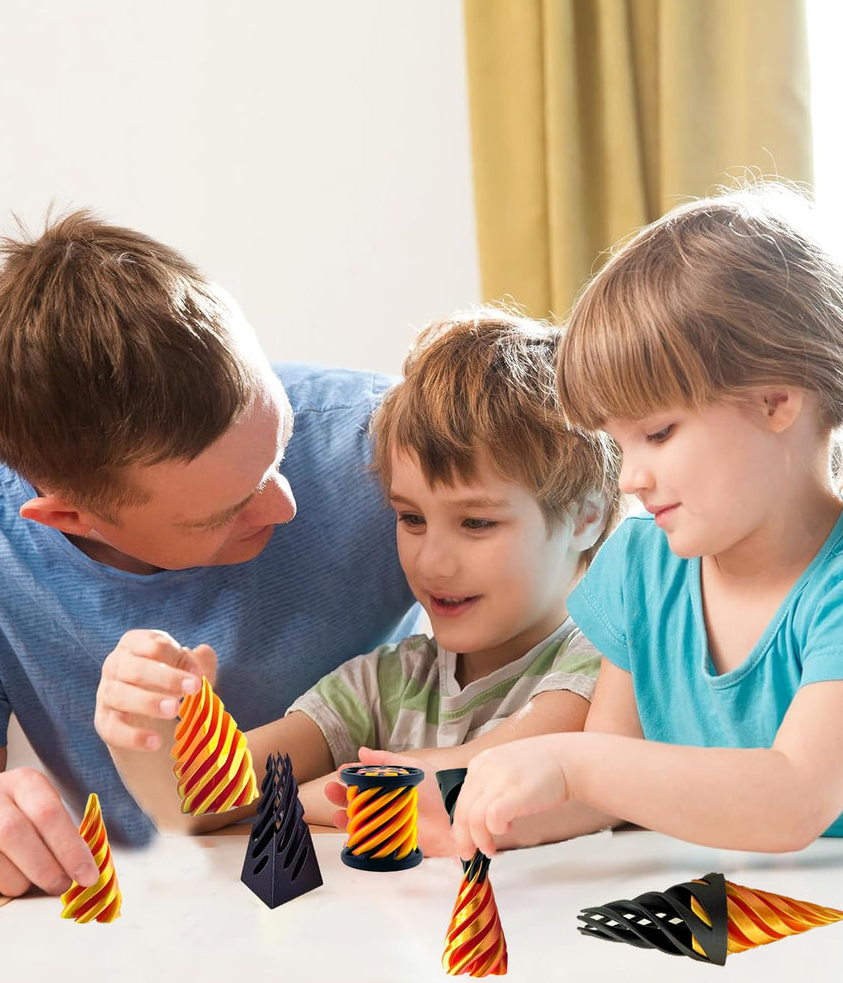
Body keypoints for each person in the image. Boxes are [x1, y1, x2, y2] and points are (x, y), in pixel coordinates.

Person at [0, 211, 423, 914]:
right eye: (222, 513)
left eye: (280, 445)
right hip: (151, 915)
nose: (285, 506)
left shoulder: (387, 437)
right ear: (70, 517)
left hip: (395, 878)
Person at [449, 184, 843, 863]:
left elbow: (792, 799)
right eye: (619, 444)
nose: (630, 478)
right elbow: (611, 789)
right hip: (719, 909)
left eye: (657, 433)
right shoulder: (642, 566)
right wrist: (475, 814)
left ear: (775, 400)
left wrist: (571, 762)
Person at [95, 309, 621, 852]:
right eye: (411, 518)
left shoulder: (609, 658)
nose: (432, 563)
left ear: (586, 517)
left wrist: (306, 797)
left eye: (476, 523)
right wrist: (147, 724)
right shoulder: (383, 684)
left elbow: (494, 776)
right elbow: (194, 805)